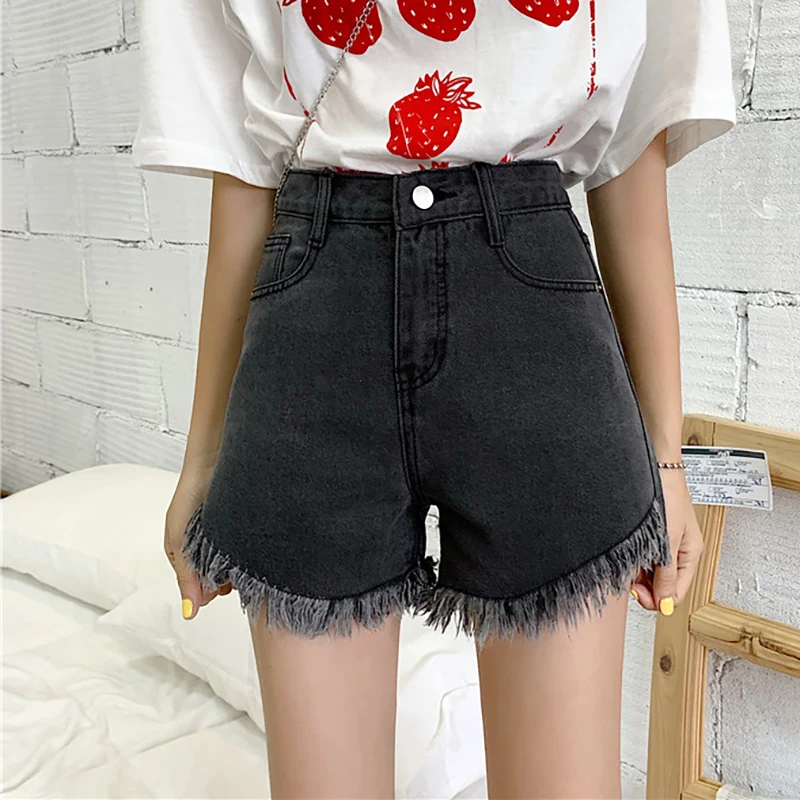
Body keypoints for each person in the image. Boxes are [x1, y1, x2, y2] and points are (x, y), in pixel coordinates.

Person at [132, 1, 736, 796]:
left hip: (536, 324)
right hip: (315, 324)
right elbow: (238, 157)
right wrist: (203, 457)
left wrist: (667, 462)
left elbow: (633, 144)